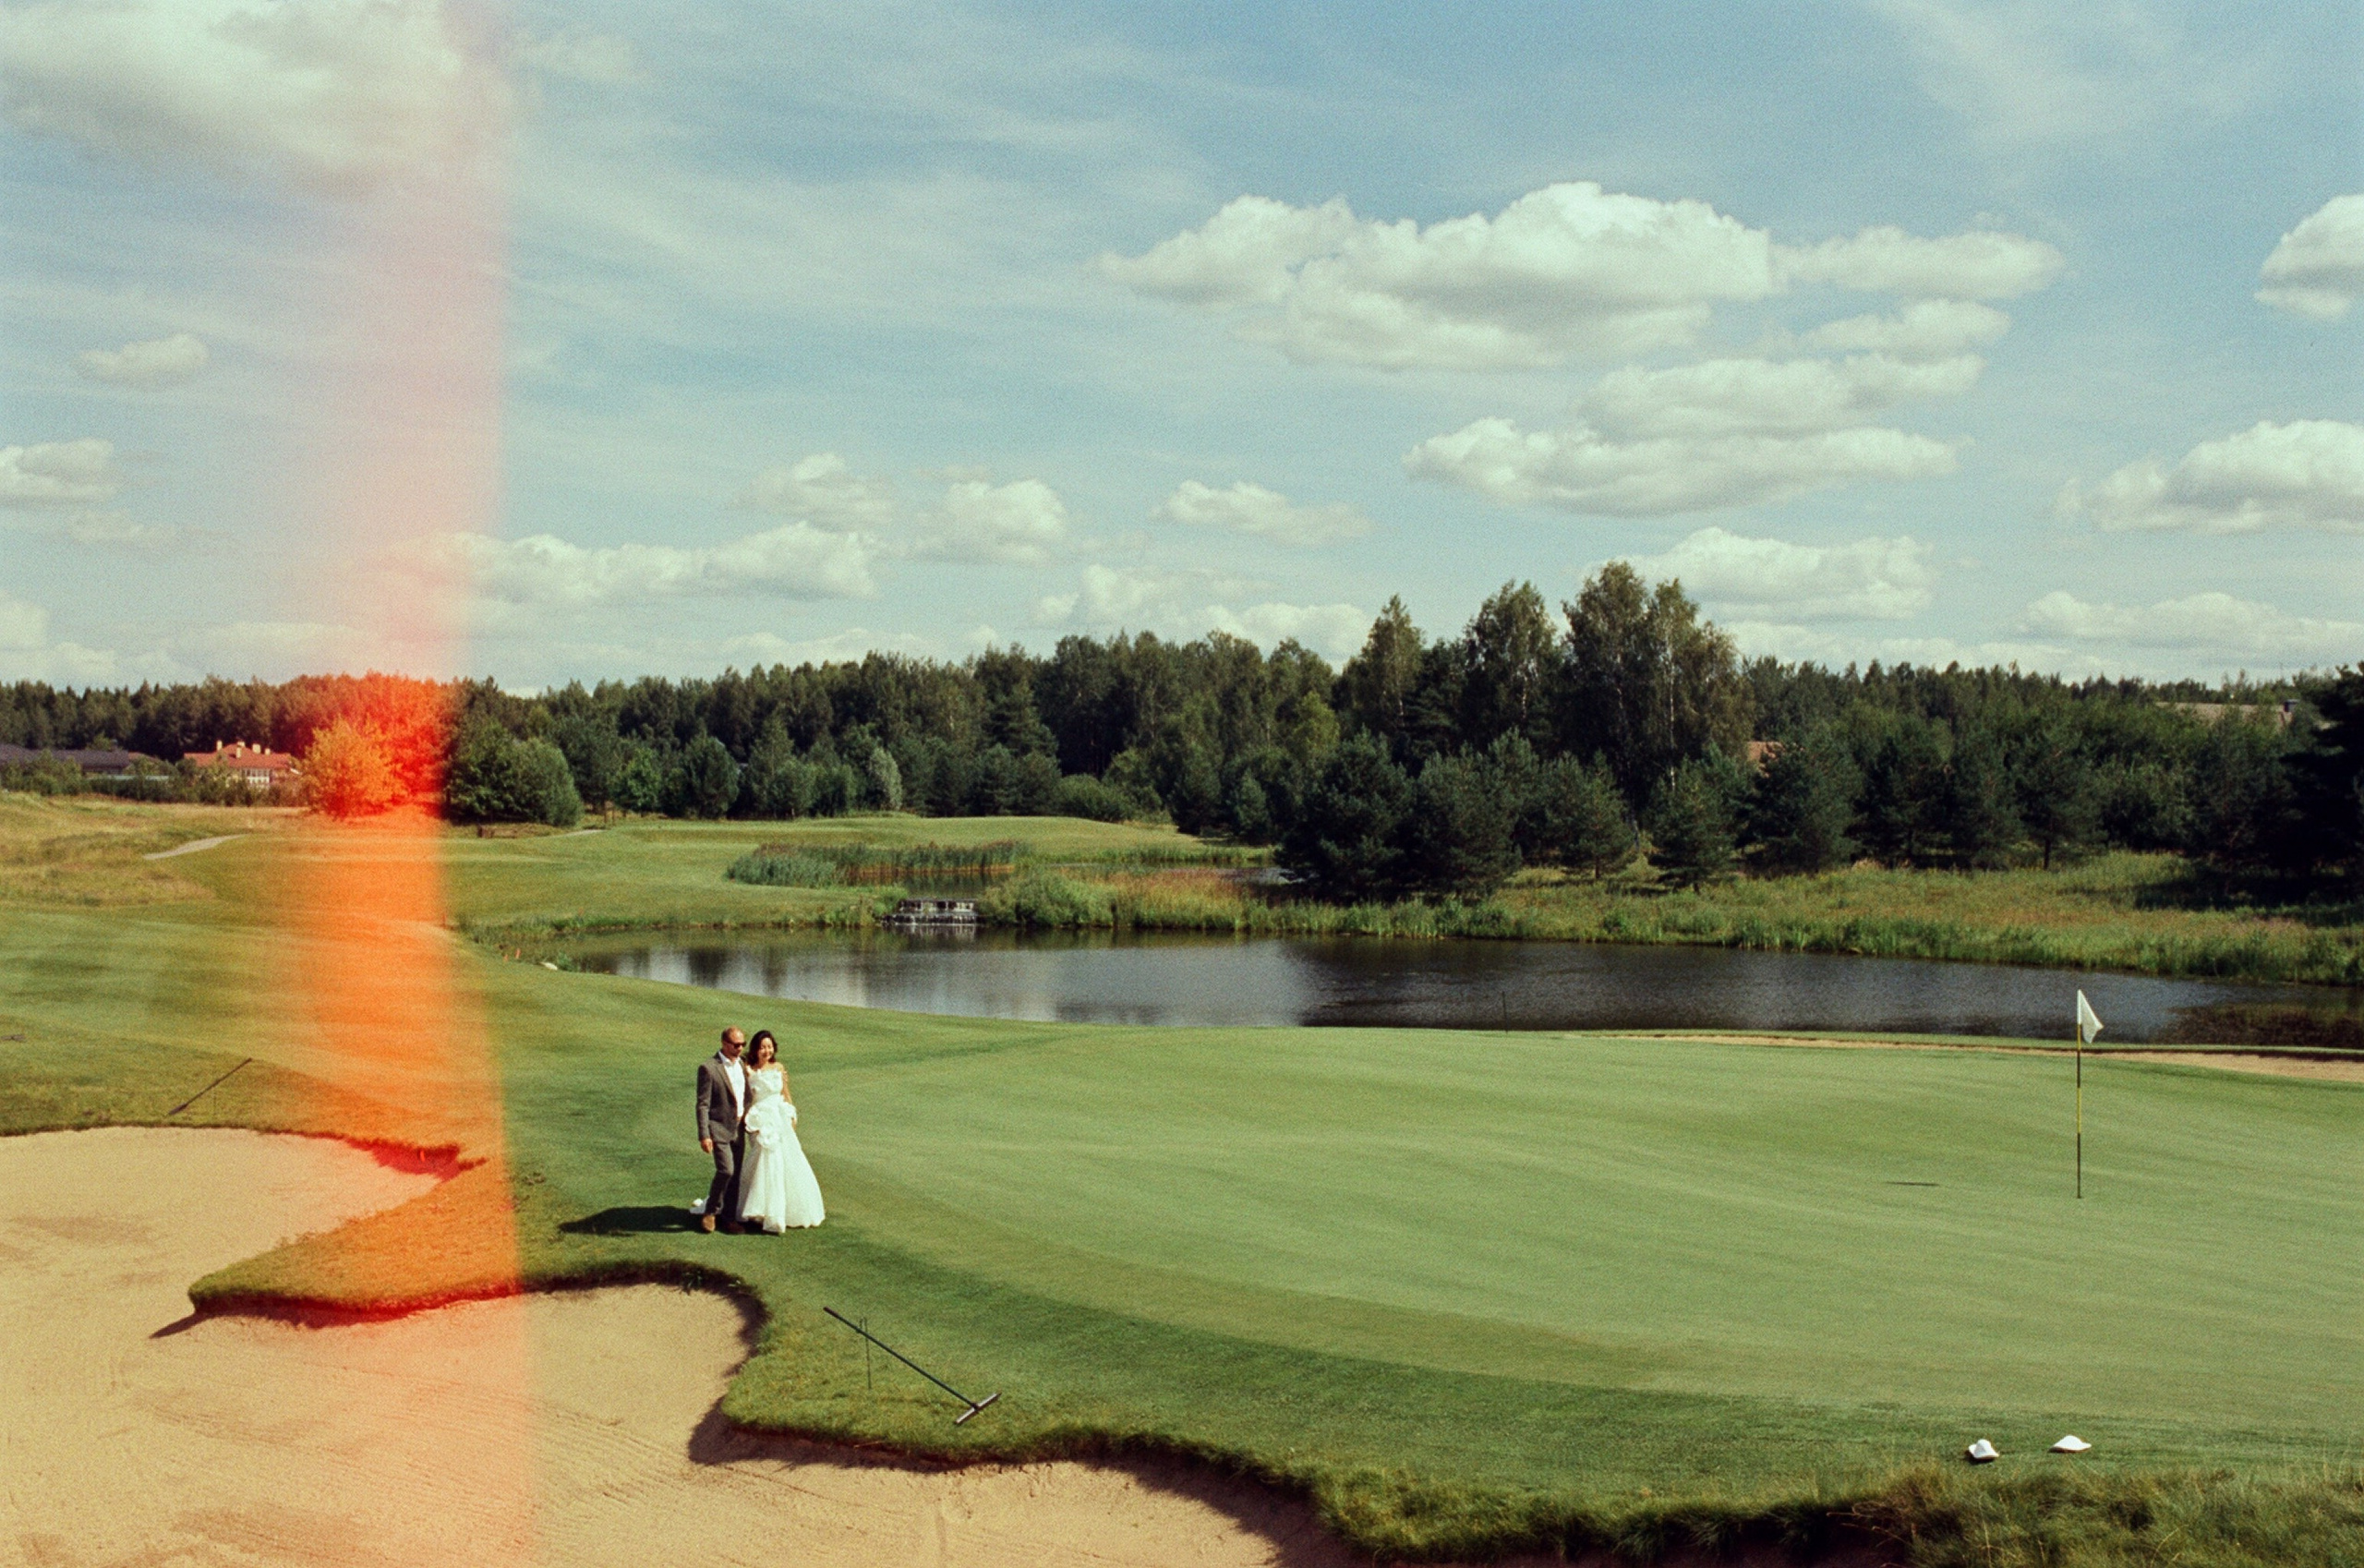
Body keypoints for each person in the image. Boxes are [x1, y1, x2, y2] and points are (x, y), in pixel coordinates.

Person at [736, 1030, 826, 1233]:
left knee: (785, 1160)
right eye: (762, 1047)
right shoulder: (748, 1069)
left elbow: (786, 1094)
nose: (766, 1051)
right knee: (764, 1159)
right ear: (756, 1050)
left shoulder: (779, 1067)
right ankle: (760, 1209)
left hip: (779, 1117)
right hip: (760, 1119)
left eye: (769, 1046)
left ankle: (780, 1211)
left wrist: (792, 1115)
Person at [694, 1026, 749, 1234]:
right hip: (718, 1128)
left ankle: (728, 1218)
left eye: (742, 1044)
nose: (740, 1048)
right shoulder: (708, 1068)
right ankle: (711, 1212)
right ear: (724, 1044)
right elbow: (702, 1105)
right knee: (726, 1170)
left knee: (736, 1175)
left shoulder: (742, 1064)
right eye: (736, 1045)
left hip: (738, 1128)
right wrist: (704, 1134)